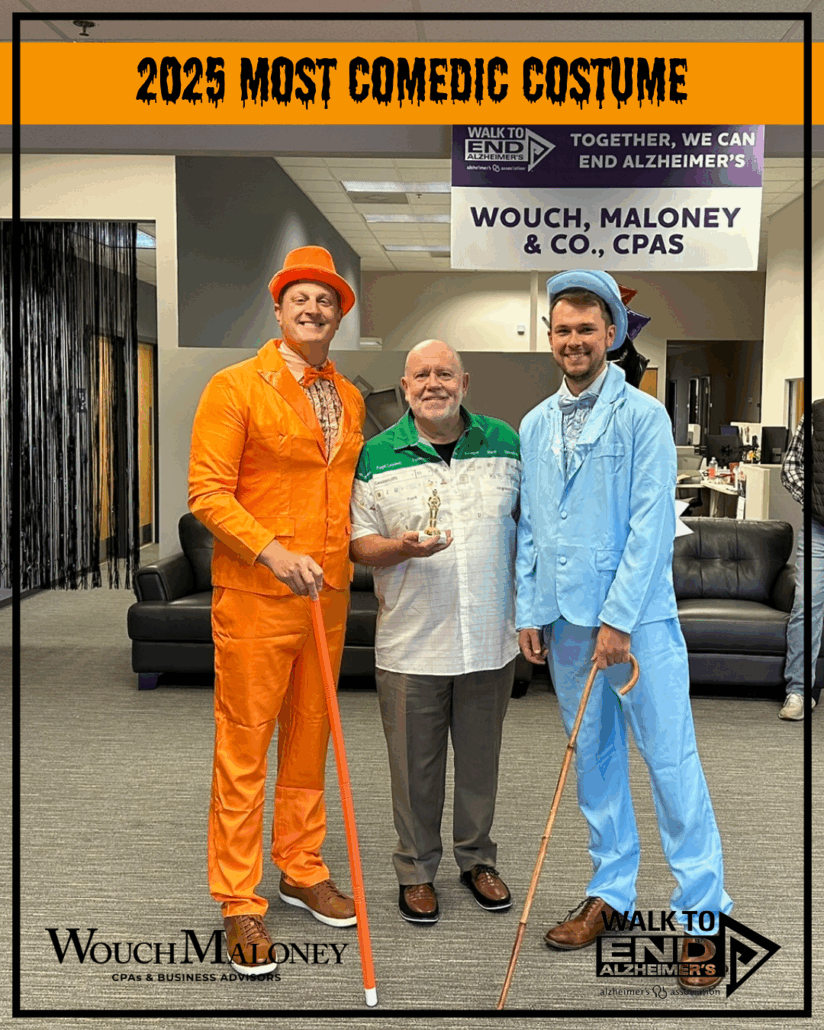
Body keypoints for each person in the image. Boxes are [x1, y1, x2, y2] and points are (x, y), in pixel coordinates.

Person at [516, 270, 732, 992]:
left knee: (670, 764)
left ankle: (703, 914)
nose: (573, 340)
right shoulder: (534, 424)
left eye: (587, 328)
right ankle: (611, 892)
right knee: (595, 762)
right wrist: (528, 608)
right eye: (563, 329)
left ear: (610, 334)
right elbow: (532, 527)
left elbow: (650, 526)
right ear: (550, 337)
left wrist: (618, 619)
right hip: (565, 625)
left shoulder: (644, 416)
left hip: (637, 626)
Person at [188, 246, 365, 974]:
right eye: (301, 298)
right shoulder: (234, 387)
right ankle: (239, 899)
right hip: (258, 597)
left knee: (309, 739)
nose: (314, 309)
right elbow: (208, 492)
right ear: (280, 307)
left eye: (327, 300)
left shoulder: (349, 396)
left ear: (338, 315)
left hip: (327, 598)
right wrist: (270, 551)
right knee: (245, 746)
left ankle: (301, 865)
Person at [349, 340, 520, 924]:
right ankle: (416, 870)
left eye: (444, 373)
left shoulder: (505, 442)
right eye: (420, 375)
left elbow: (532, 527)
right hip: (411, 645)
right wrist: (400, 548)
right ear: (405, 387)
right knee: (413, 771)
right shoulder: (376, 455)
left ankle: (477, 859)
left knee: (480, 765)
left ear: (464, 383)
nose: (432, 384)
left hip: (489, 639)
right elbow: (358, 544)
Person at [779, 405, 823, 719]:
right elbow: (791, 467)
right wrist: (815, 500)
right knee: (807, 606)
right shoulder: (816, 415)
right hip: (818, 528)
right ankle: (798, 692)